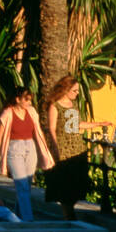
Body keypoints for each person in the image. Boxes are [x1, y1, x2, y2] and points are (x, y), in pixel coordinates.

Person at [0, 87, 55, 221]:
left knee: (26, 187)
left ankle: (18, 218)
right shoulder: (8, 113)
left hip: (30, 148)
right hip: (14, 149)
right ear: (17, 99)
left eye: (30, 99)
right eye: (26, 99)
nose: (29, 102)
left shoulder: (32, 112)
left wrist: (44, 151)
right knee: (22, 186)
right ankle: (28, 220)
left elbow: (39, 132)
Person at [40, 75, 87, 220]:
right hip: (63, 148)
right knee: (65, 182)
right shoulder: (55, 106)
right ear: (66, 89)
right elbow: (52, 128)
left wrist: (99, 124)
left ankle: (70, 211)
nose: (77, 93)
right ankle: (68, 213)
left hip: (77, 147)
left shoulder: (74, 105)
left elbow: (76, 124)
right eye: (74, 91)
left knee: (76, 181)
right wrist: (54, 146)